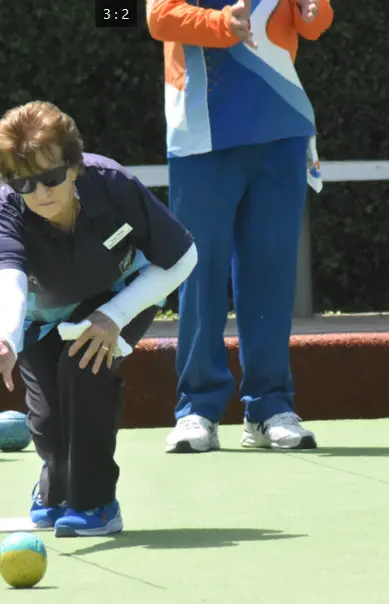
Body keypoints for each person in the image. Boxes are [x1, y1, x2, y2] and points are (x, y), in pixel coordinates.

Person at [0, 101, 198, 537]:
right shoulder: (7, 211)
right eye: (25, 183)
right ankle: (55, 486)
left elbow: (182, 257)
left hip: (121, 296)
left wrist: (115, 316)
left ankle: (97, 504)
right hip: (42, 317)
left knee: (83, 372)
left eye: (52, 177)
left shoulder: (113, 185)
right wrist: (3, 339)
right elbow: (7, 278)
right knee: (46, 421)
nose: (41, 193)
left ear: (74, 166)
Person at [145, 0, 333, 453]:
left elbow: (314, 22)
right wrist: (217, 23)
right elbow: (155, 16)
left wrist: (315, 11)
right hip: (202, 130)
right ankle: (197, 410)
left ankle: (269, 406)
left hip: (282, 124)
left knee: (270, 271)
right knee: (198, 271)